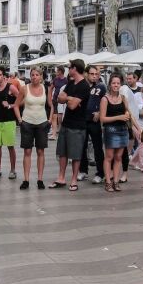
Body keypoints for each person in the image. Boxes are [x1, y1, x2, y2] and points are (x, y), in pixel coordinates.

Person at [49, 59, 90, 192]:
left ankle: (73, 180)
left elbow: (71, 106)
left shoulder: (84, 85)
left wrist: (68, 99)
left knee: (76, 155)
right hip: (66, 123)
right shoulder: (71, 83)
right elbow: (59, 98)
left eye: (69, 67)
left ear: (75, 69)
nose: (68, 70)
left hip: (78, 126)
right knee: (62, 153)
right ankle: (61, 178)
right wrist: (70, 98)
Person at [100, 73, 139, 192]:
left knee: (118, 157)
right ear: (110, 84)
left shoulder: (123, 98)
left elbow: (130, 114)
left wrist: (138, 128)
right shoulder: (105, 99)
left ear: (121, 85)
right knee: (109, 157)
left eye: (118, 83)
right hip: (110, 131)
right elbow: (102, 119)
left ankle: (116, 181)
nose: (116, 85)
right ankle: (108, 182)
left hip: (123, 130)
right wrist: (119, 117)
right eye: (113, 83)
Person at [13, 66, 50, 190]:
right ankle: (26, 179)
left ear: (41, 77)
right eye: (32, 75)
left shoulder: (46, 88)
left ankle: (40, 179)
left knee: (41, 151)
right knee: (27, 151)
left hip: (42, 123)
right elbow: (16, 105)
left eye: (37, 75)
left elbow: (51, 105)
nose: (34, 77)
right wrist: (20, 120)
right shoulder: (24, 89)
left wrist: (49, 120)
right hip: (27, 122)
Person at [0, 66, 20, 179]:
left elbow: (21, 99)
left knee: (10, 147)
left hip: (9, 121)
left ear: (4, 76)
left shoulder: (10, 87)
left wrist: (11, 105)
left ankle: (13, 170)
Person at [79, 65, 106, 184]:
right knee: (82, 147)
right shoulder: (81, 86)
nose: (94, 76)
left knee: (98, 148)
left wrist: (100, 112)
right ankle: (83, 171)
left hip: (94, 122)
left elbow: (106, 101)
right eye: (92, 74)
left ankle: (100, 173)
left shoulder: (101, 87)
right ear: (86, 74)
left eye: (96, 74)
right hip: (82, 121)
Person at [48, 66, 67, 140]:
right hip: (55, 100)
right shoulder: (55, 79)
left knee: (60, 117)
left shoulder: (66, 80)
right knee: (54, 117)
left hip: (62, 101)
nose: (56, 72)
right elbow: (50, 88)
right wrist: (49, 98)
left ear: (60, 71)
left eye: (57, 71)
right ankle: (54, 134)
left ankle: (60, 130)